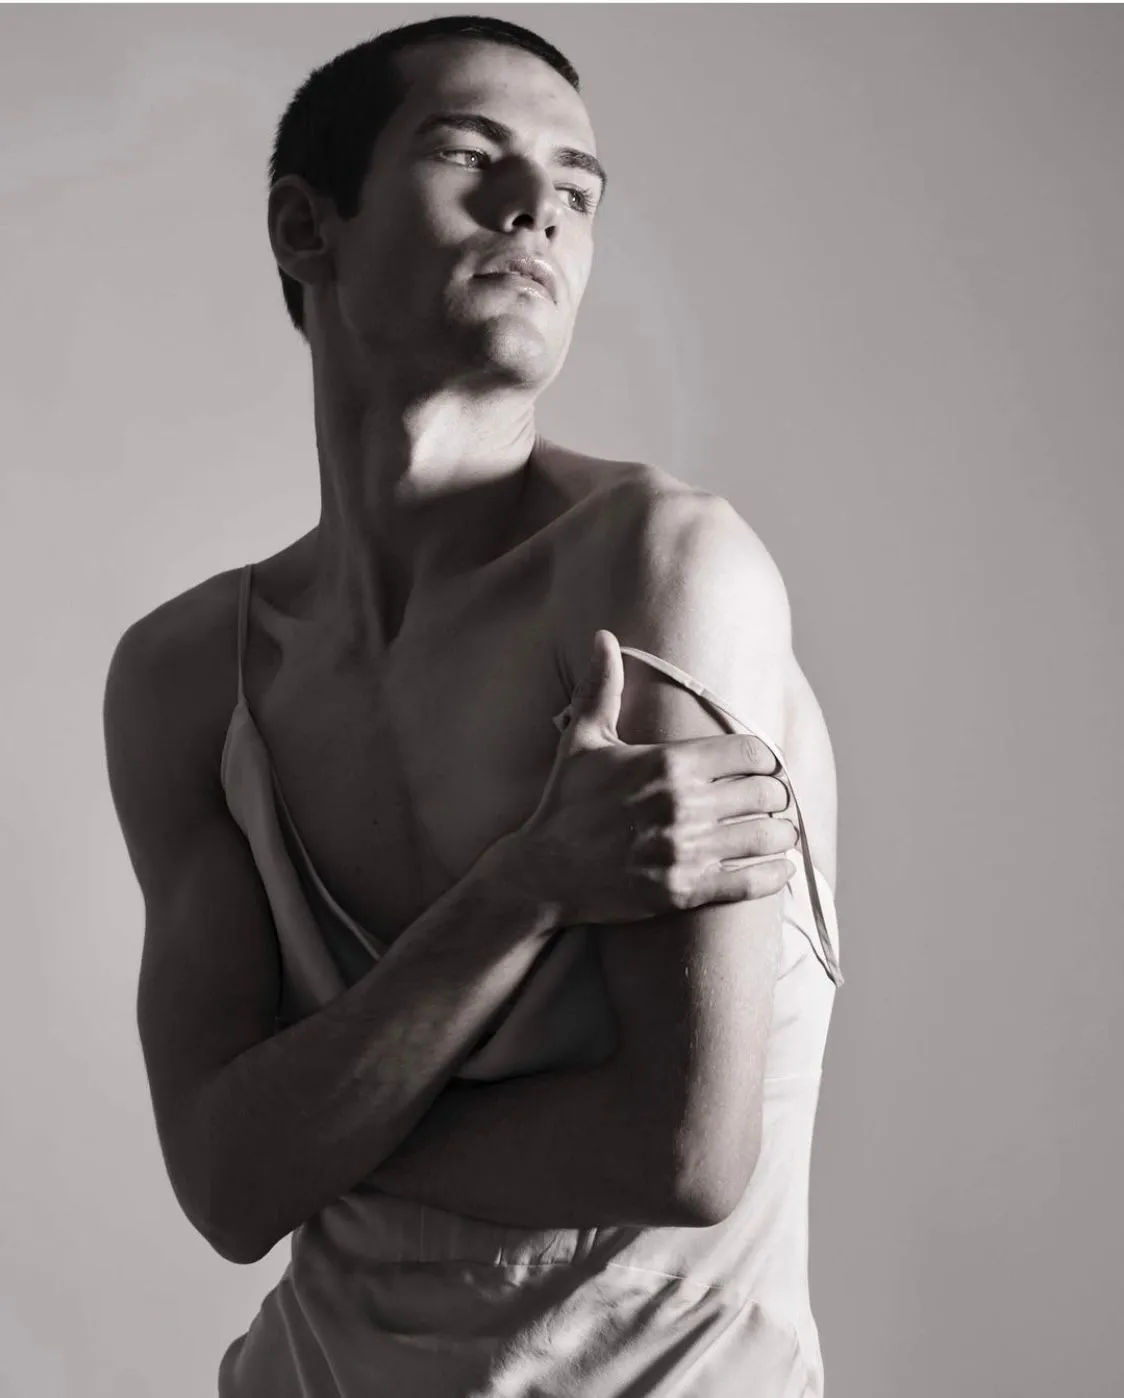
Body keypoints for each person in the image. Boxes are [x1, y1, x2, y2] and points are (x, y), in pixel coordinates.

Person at [102, 14, 844, 1396]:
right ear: (306, 227)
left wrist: (310, 1132)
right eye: (468, 155)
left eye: (577, 189)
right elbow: (223, 1189)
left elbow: (684, 1152)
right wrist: (525, 886)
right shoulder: (190, 676)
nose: (536, 208)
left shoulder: (662, 569)